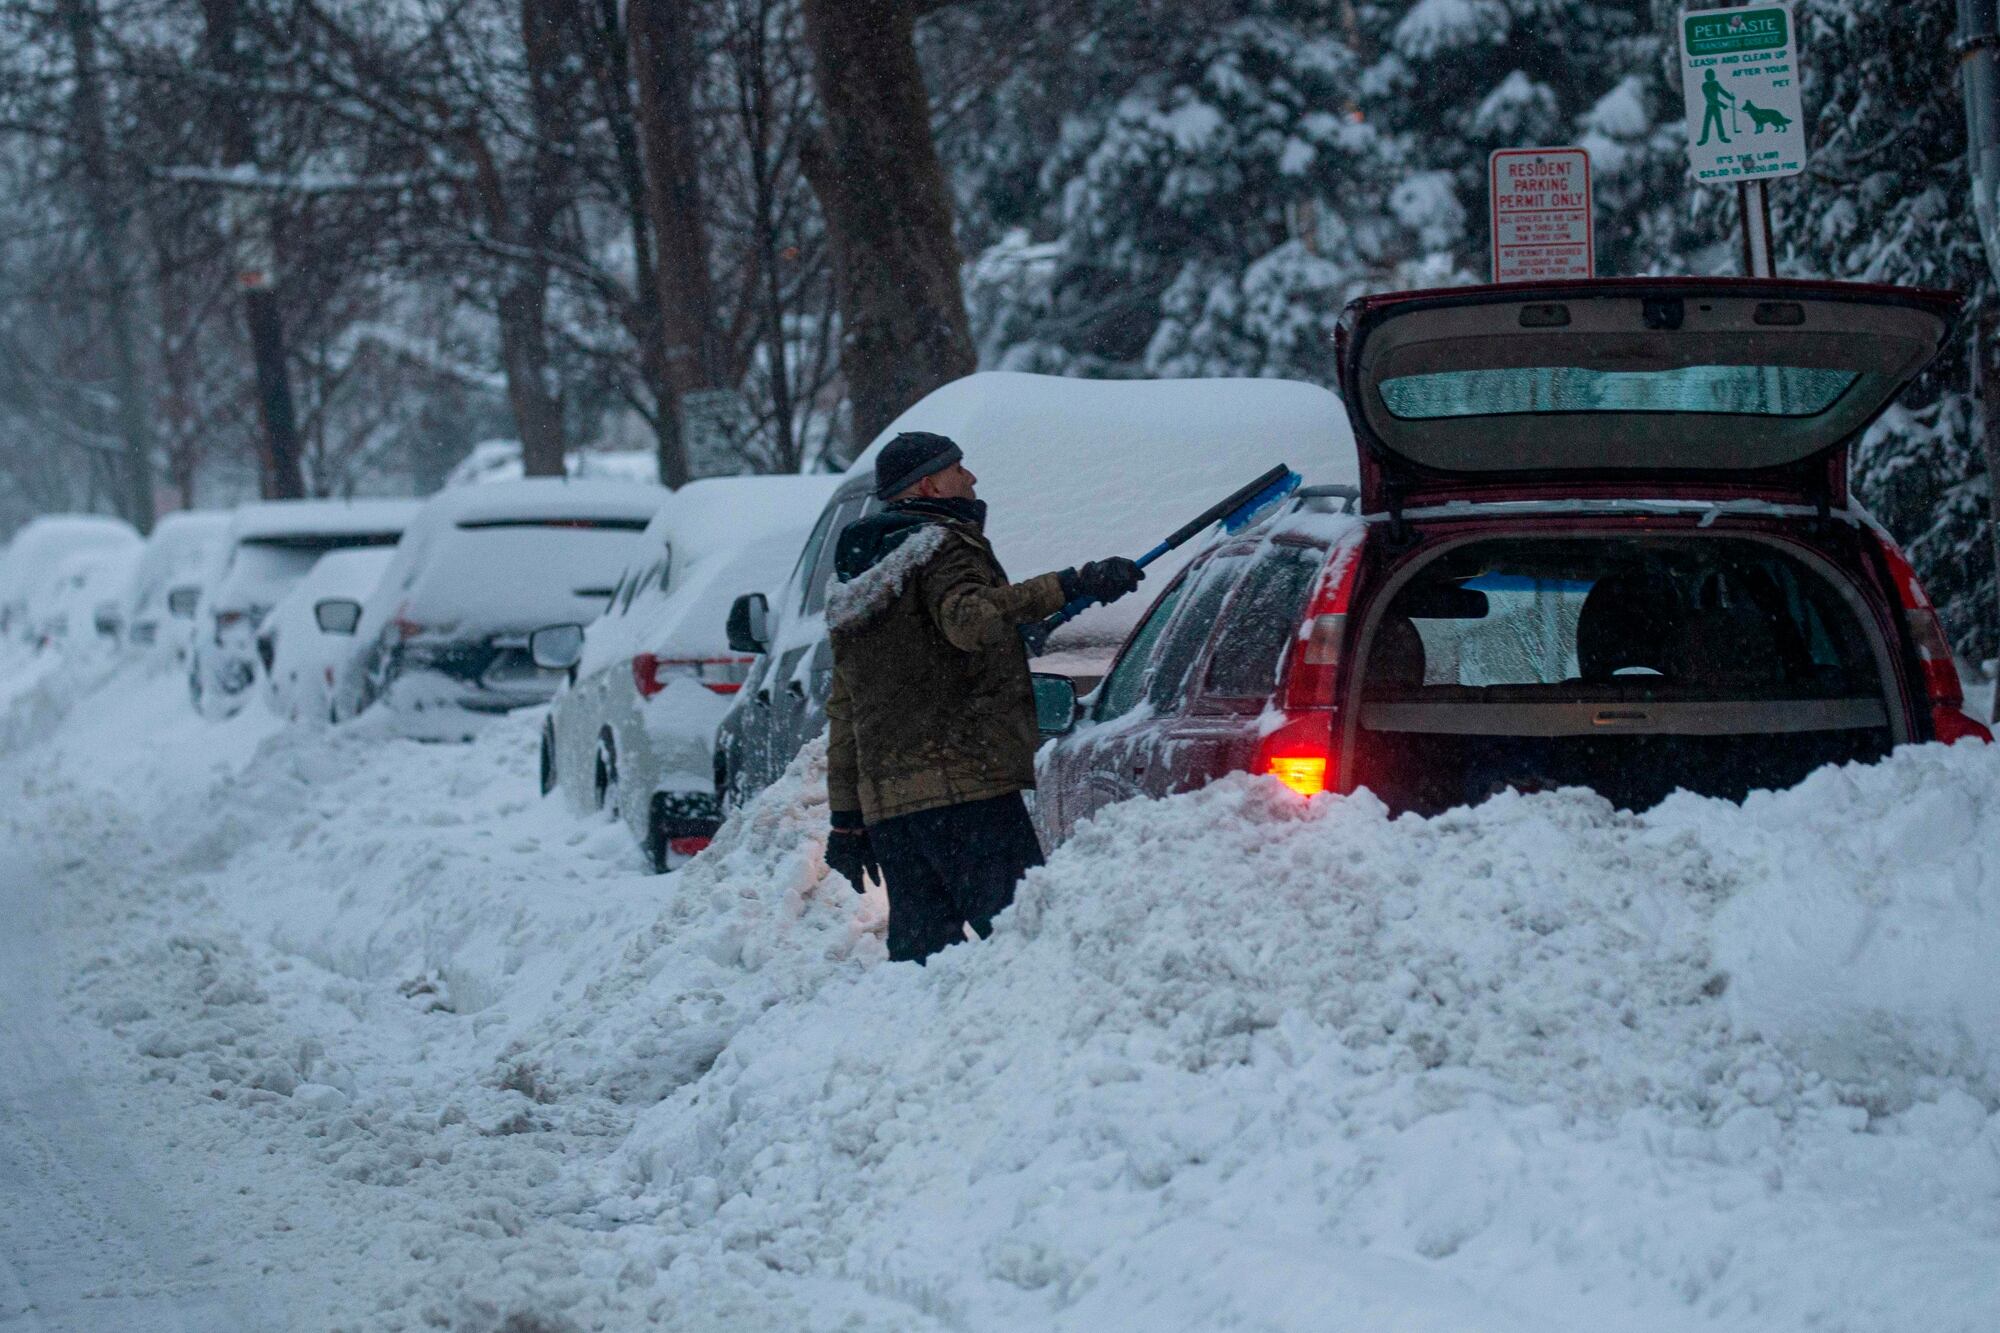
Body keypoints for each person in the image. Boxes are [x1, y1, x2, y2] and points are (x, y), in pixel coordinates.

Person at [820, 430, 1145, 962]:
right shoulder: (941, 545)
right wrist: (1071, 582)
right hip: (965, 794)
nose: (970, 479)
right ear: (928, 484)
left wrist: (847, 819)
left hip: (893, 812)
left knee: (922, 967)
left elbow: (846, 708)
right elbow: (970, 621)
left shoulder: (857, 582)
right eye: (958, 470)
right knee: (1026, 947)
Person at [1697, 69, 1734, 146]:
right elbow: (1710, 98)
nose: (1711, 77)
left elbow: (1722, 91)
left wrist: (1730, 97)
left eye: (1712, 75)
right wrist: (1722, 104)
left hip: (1716, 106)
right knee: (1707, 123)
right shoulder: (1705, 85)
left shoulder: (1716, 83)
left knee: (1719, 122)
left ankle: (1722, 137)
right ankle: (1704, 139)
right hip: (1710, 106)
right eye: (1709, 75)